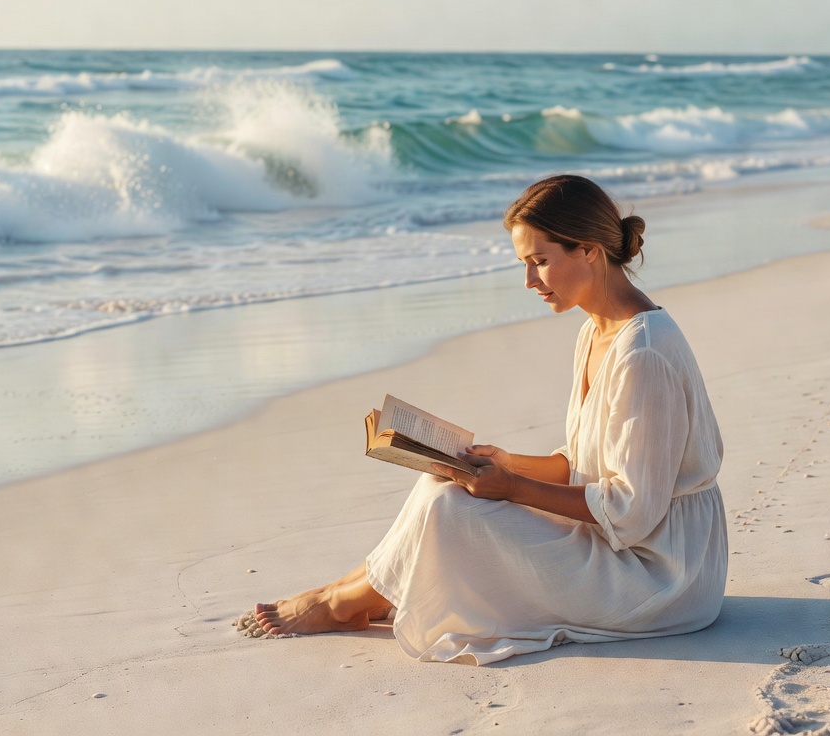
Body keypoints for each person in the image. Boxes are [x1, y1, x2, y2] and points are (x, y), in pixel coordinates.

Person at [238, 175, 727, 665]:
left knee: (453, 514)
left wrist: (512, 487)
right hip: (625, 544)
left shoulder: (642, 353)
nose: (530, 281)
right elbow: (586, 464)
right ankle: (345, 593)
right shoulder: (594, 333)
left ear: (589, 251)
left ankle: (342, 603)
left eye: (540, 262)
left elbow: (633, 511)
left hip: (663, 573)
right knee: (439, 487)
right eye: (525, 265)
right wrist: (505, 463)